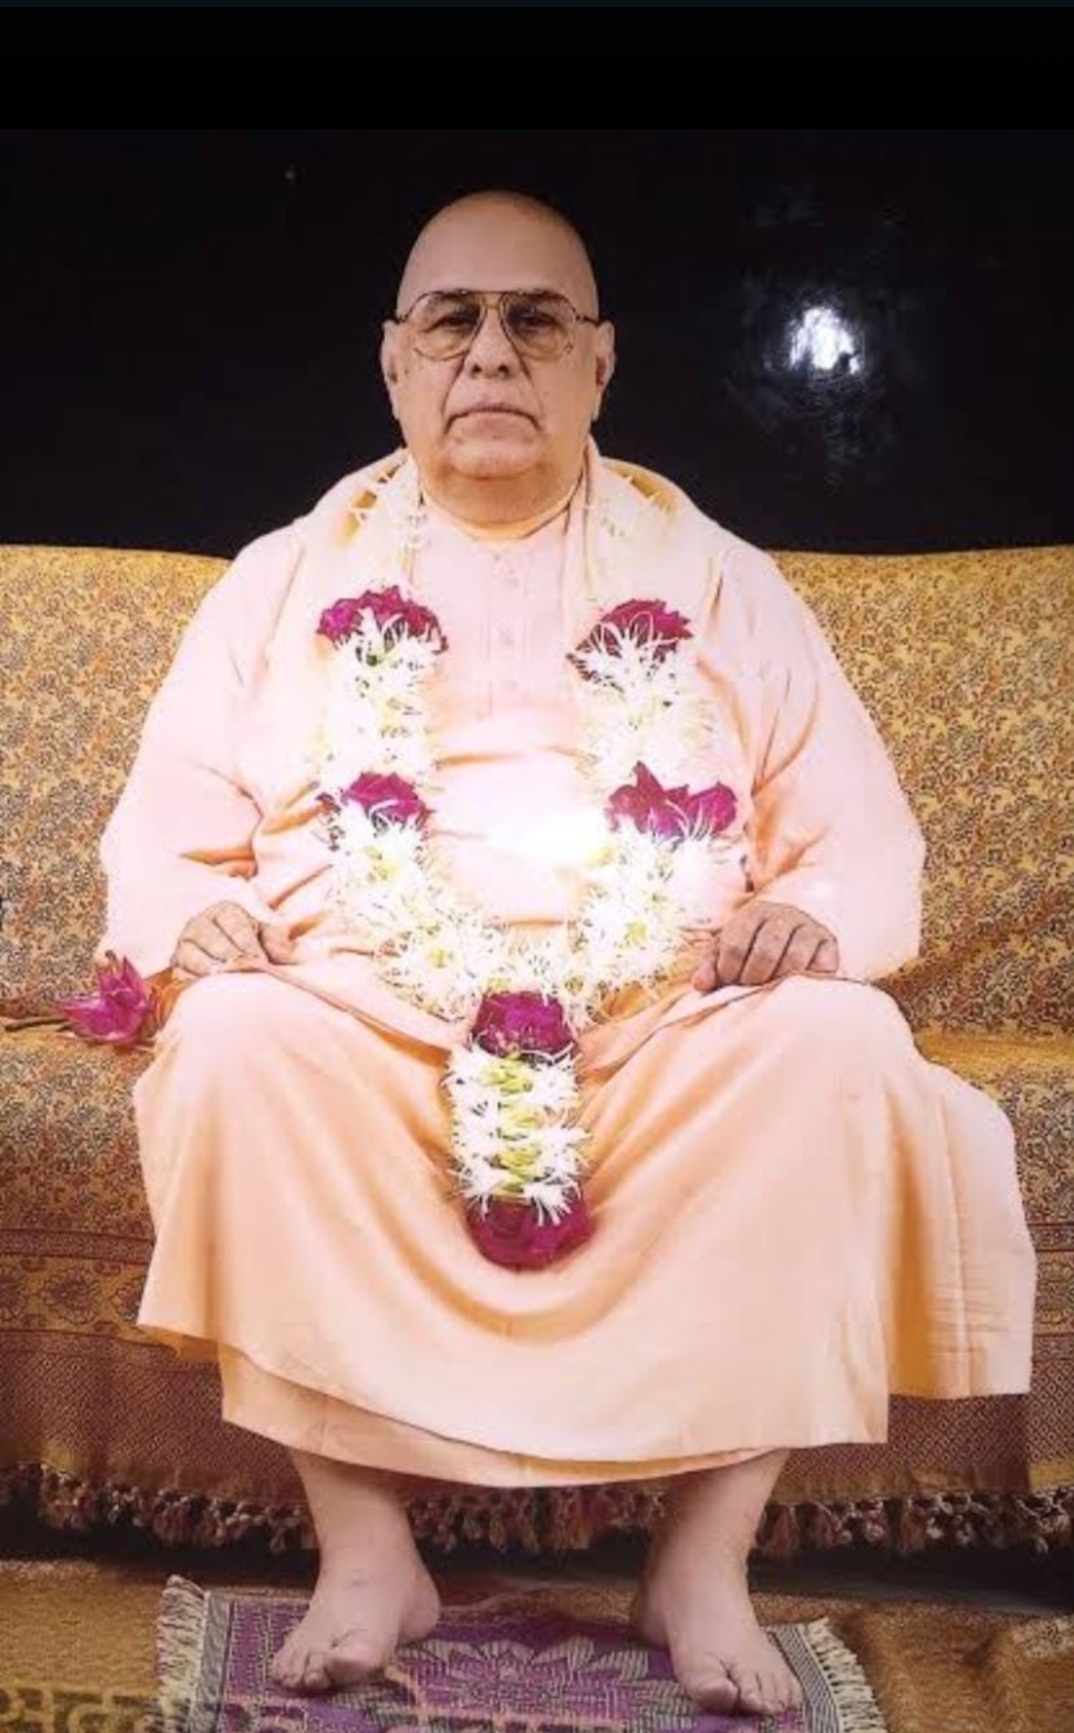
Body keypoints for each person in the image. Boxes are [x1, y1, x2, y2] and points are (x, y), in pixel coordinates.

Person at [94, 189, 1037, 1719]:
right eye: (450, 322)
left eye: (533, 321)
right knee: (231, 1041)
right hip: (365, 1003)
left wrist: (807, 916)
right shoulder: (281, 577)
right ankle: (366, 1550)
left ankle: (700, 1560)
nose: (489, 355)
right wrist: (187, 923)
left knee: (838, 1042)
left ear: (599, 364)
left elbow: (859, 840)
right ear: (393, 362)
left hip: (662, 1011)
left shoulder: (715, 576)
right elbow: (164, 836)